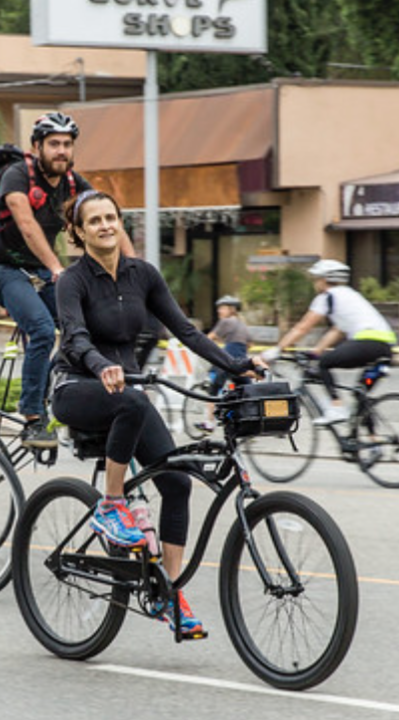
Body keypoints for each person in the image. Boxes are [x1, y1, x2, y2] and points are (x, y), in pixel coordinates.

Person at [51, 190, 260, 637]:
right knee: (132, 399)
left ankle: (169, 592)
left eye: (111, 217)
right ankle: (111, 504)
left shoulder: (143, 275)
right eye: (94, 221)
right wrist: (101, 366)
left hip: (127, 391)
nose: (105, 225)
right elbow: (74, 337)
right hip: (77, 386)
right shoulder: (72, 280)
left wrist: (237, 365)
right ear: (79, 232)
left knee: (177, 483)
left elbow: (186, 331)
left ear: (119, 222)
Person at [0, 112, 135, 448]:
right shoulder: (16, 175)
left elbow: (108, 218)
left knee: (87, 327)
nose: (61, 150)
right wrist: (56, 267)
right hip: (5, 270)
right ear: (37, 147)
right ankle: (32, 416)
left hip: (42, 272)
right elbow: (26, 225)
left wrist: (134, 271)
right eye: (54, 144)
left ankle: (57, 384)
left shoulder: (73, 184)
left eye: (67, 144)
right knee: (40, 329)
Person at [262, 259, 397, 426]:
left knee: (324, 363)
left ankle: (336, 406)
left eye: (316, 279)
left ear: (324, 280)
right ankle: (373, 438)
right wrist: (316, 352)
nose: (315, 283)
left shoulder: (326, 297)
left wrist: (277, 349)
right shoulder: (350, 295)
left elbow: (303, 327)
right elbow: (337, 330)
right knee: (360, 393)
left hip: (368, 342)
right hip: (385, 348)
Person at [196, 295, 251, 432]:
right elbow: (249, 344)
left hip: (227, 361)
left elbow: (209, 338)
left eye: (222, 308)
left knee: (213, 389)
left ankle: (209, 423)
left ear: (231, 309)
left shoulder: (226, 322)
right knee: (245, 392)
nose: (219, 311)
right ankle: (247, 424)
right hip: (242, 362)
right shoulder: (242, 324)